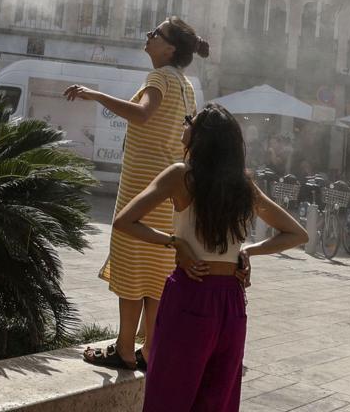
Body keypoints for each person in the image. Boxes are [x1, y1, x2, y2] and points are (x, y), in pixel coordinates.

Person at [115, 105, 307, 412]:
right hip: (231, 300)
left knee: (169, 394)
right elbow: (297, 234)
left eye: (189, 122)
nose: (184, 126)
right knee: (217, 399)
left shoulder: (181, 176)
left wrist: (175, 243)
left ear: (201, 136)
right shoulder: (243, 185)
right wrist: (247, 251)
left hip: (191, 290)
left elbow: (124, 221)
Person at [66, 17, 208, 371]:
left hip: (141, 188)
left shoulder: (159, 78)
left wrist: (95, 94)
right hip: (167, 189)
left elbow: (143, 114)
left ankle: (125, 348)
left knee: (132, 268)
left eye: (156, 33)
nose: (148, 36)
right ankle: (148, 349)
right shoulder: (186, 86)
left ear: (170, 48)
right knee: (155, 273)